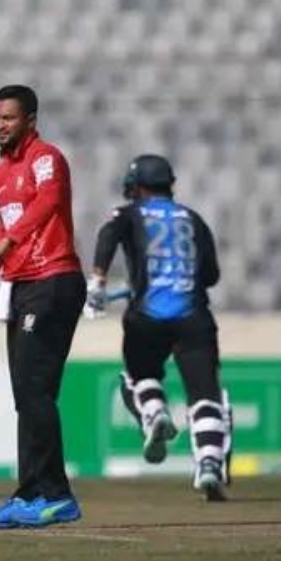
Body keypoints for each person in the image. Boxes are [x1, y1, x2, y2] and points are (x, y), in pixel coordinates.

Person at [86, 154, 234, 501]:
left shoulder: (129, 213)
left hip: (146, 317)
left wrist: (98, 281)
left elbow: (108, 234)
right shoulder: (194, 219)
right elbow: (211, 275)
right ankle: (209, 463)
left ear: (136, 187)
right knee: (205, 394)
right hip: (193, 316)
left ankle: (154, 413)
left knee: (139, 376)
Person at [0, 85, 87, 529]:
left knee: (35, 389)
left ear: (30, 120)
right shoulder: (1, 174)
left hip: (54, 279)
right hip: (22, 284)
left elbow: (49, 201)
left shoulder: (46, 158)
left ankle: (55, 495)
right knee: (26, 393)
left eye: (9, 118)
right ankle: (32, 493)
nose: (0, 125)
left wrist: (8, 242)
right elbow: (5, 222)